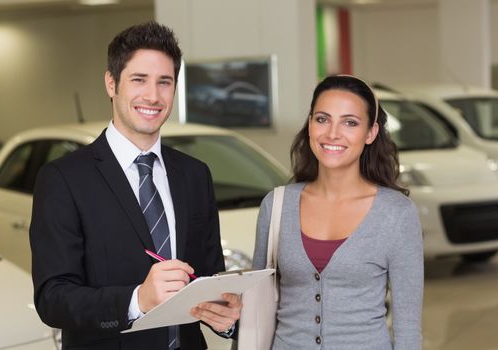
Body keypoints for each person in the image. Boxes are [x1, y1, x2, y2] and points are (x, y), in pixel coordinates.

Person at [30, 21, 241, 350]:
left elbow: (209, 279)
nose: (153, 96)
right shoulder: (63, 179)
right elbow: (53, 298)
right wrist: (137, 299)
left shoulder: (195, 174)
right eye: (139, 80)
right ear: (111, 83)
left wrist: (226, 317)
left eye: (164, 82)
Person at [252, 75, 423, 349]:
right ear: (309, 125)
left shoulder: (397, 214)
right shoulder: (276, 205)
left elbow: (408, 326)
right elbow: (255, 303)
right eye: (322, 119)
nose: (332, 133)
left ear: (371, 133)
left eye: (350, 122)